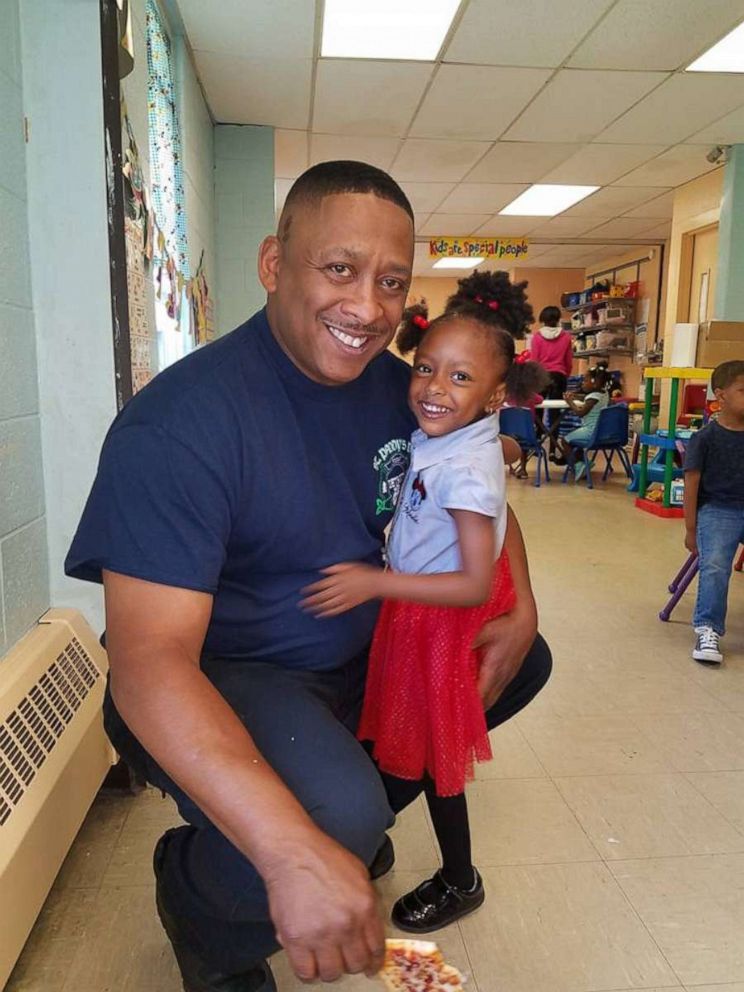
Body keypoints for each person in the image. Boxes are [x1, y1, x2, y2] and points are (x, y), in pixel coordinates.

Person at [64, 161, 552, 992]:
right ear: (272, 264)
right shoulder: (182, 425)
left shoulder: (406, 390)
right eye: (340, 269)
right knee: (338, 816)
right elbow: (149, 662)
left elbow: (476, 491)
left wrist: (525, 598)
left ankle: (337, 822)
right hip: (232, 667)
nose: (367, 307)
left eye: (391, 281)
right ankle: (197, 893)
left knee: (517, 661)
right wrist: (295, 853)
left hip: (357, 651)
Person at [301, 270, 539, 933]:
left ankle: (460, 878)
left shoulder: (464, 469)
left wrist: (376, 581)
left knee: (437, 756)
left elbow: (468, 580)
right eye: (426, 368)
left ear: (495, 394)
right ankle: (370, 832)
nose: (434, 388)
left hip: (437, 618)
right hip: (422, 609)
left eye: (460, 379)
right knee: (407, 741)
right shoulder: (452, 437)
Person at [683, 359, 744, 665]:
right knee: (717, 563)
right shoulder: (705, 438)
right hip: (718, 509)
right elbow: (691, 484)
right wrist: (691, 529)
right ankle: (708, 628)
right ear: (721, 396)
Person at [530, 304, 574, 459]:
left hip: (541, 376)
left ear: (543, 319)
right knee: (555, 414)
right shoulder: (567, 337)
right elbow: (568, 361)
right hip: (559, 375)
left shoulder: (536, 337)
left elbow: (534, 361)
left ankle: (536, 441)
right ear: (558, 319)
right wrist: (565, 374)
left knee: (537, 410)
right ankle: (553, 450)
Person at [502, 347, 550, 479]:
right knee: (523, 440)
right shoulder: (531, 397)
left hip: (506, 436)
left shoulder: (505, 396)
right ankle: (523, 468)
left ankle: (509, 466)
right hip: (528, 436)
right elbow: (540, 400)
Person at [558, 365, 610, 479]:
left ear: (594, 383)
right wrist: (575, 395)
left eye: (585, 380)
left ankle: (577, 465)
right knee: (575, 436)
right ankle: (583, 463)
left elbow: (580, 413)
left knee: (565, 441)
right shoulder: (603, 394)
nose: (582, 383)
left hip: (591, 432)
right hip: (601, 432)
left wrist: (570, 402)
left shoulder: (593, 397)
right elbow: (587, 398)